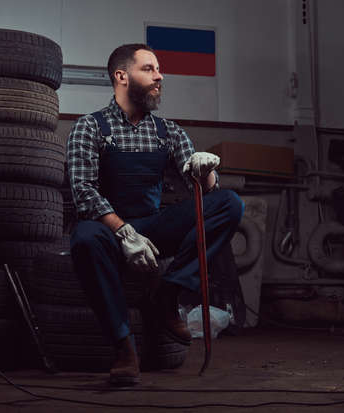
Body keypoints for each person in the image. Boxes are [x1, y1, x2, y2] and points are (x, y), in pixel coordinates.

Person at [67, 43, 244, 385]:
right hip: (108, 229)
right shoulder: (89, 128)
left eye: (158, 69)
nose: (159, 75)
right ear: (121, 76)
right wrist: (123, 232)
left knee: (229, 204)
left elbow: (203, 190)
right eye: (148, 68)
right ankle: (123, 347)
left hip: (153, 227)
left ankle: (168, 293)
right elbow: (83, 192)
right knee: (84, 238)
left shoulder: (169, 132)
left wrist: (204, 169)